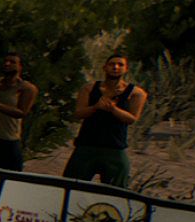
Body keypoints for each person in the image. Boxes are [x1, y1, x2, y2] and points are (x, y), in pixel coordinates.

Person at [62, 54, 147, 187]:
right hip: (87, 145)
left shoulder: (136, 93)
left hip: (114, 147)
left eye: (120, 65)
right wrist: (95, 107)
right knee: (70, 186)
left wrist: (113, 109)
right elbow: (78, 113)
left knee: (116, 189)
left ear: (126, 69)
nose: (115, 67)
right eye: (112, 64)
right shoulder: (89, 88)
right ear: (104, 67)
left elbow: (132, 118)